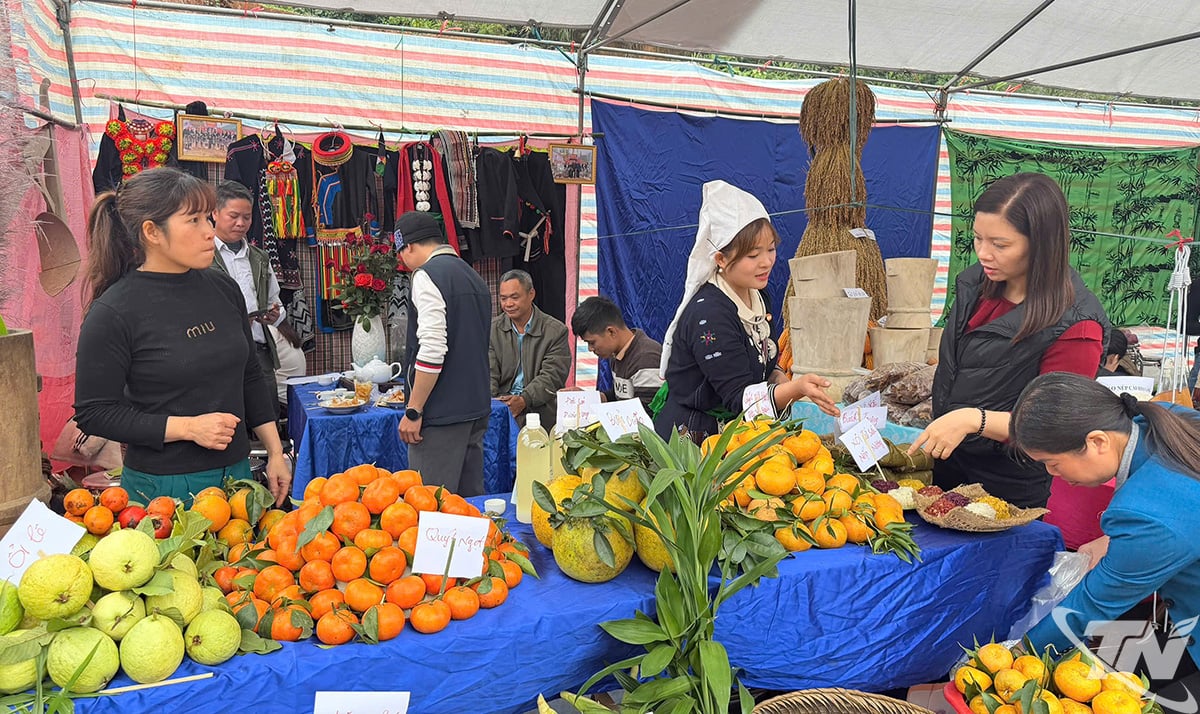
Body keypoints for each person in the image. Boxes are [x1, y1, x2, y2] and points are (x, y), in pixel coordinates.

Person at [74, 167, 291, 505]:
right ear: (152, 232)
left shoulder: (224, 289)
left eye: (208, 218)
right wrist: (187, 428)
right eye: (194, 221)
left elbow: (249, 374)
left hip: (237, 477)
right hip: (163, 490)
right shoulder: (114, 312)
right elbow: (95, 413)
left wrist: (276, 451)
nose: (210, 231)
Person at [911, 172, 1110, 510]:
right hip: (945, 468)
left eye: (1000, 245)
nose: (984, 253)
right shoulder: (975, 284)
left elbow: (1055, 423)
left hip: (1006, 491)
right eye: (977, 239)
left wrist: (974, 419)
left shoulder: (1077, 326)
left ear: (1041, 244)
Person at [1011, 373, 1200, 706]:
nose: (1054, 476)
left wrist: (1020, 653)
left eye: (1052, 464)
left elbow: (1093, 605)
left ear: (1097, 441)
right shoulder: (1168, 419)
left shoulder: (1145, 513)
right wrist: (1114, 541)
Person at [654, 180, 838, 442]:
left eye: (771, 249)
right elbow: (738, 398)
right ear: (721, 258)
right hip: (697, 441)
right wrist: (794, 389)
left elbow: (767, 365)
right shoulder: (710, 316)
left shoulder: (759, 296)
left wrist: (785, 382)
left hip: (742, 433)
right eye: (753, 255)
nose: (766, 262)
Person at [396, 211, 492, 496]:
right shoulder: (472, 275)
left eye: (400, 252)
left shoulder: (427, 276)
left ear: (409, 246)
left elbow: (433, 350)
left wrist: (414, 409)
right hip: (475, 405)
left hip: (441, 412)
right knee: (468, 506)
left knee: (432, 507)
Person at [208, 180, 285, 386]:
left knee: (267, 415)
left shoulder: (260, 258)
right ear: (215, 213)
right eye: (233, 216)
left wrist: (274, 314)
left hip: (258, 352)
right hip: (217, 355)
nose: (241, 223)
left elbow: (273, 300)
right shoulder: (202, 256)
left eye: (247, 217)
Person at [490, 269, 571, 430]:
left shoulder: (555, 331)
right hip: (501, 408)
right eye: (503, 298)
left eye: (514, 297)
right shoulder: (492, 329)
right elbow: (488, 372)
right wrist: (494, 402)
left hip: (540, 410)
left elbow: (552, 376)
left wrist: (524, 399)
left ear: (531, 294)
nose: (508, 304)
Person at [570, 296, 664, 411]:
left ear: (611, 332)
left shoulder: (647, 357)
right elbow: (621, 395)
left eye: (592, 342)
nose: (590, 349)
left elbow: (647, 413)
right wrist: (588, 399)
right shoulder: (617, 353)